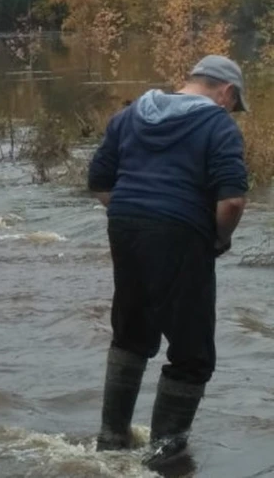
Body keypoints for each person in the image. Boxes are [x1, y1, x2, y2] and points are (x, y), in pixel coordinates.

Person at [88, 55, 249, 470]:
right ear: (226, 93)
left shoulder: (130, 114)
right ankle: (165, 457)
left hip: (125, 226)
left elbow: (99, 181)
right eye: (235, 103)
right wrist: (217, 240)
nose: (232, 111)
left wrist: (132, 214)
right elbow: (231, 201)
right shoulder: (217, 125)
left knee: (131, 333)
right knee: (192, 354)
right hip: (182, 233)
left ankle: (110, 443)